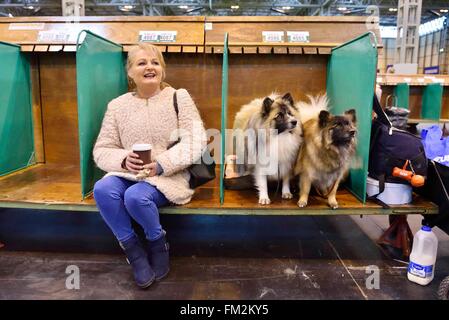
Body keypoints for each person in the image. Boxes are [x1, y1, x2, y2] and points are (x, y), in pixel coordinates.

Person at [92, 43, 207, 289]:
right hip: (127, 173)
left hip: (168, 175)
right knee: (102, 189)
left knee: (136, 197)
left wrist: (162, 165)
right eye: (141, 63)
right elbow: (102, 149)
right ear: (130, 72)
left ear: (162, 70)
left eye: (155, 62)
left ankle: (158, 243)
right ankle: (134, 252)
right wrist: (123, 159)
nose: (149, 67)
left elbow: (196, 140)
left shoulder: (179, 97)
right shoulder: (117, 105)